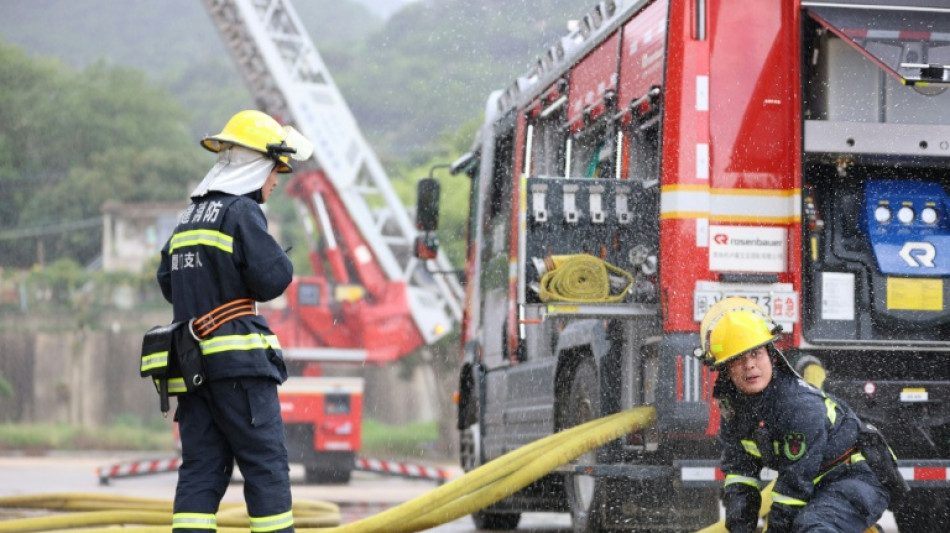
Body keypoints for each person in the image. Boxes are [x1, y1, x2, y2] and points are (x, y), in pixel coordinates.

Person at [157, 109, 312, 533]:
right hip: (239, 369)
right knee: (265, 466)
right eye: (275, 169)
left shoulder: (188, 218)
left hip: (193, 372)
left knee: (201, 469)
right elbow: (272, 279)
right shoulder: (241, 211)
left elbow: (168, 282)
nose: (276, 180)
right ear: (257, 165)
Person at [697, 297, 888, 533]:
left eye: (756, 353)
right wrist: (740, 527)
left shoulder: (799, 406)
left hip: (854, 479)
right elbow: (740, 475)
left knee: (811, 526)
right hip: (816, 488)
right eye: (737, 359)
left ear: (771, 356)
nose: (749, 365)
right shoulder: (735, 412)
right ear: (725, 370)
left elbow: (792, 492)